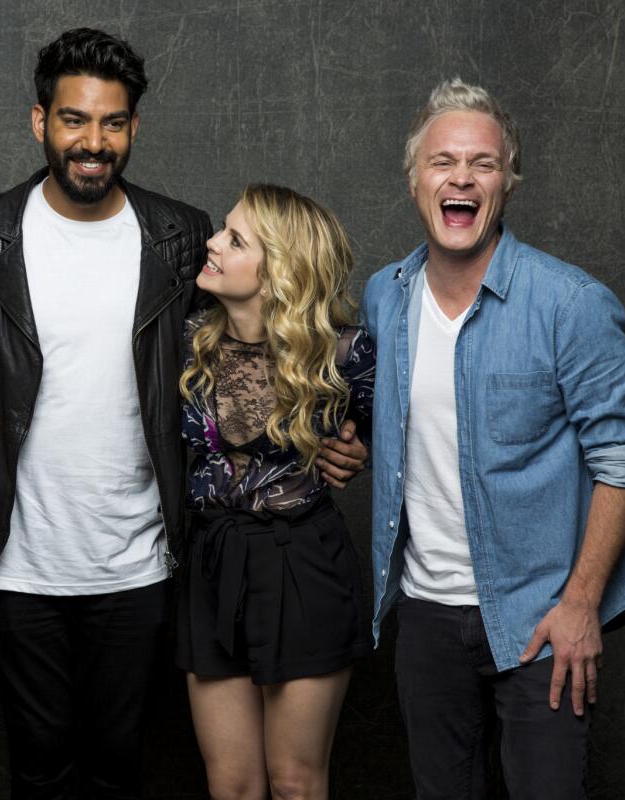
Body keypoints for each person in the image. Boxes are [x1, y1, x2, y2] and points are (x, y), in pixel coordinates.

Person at [0, 28, 368, 798]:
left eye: (111, 123)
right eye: (74, 119)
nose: (92, 142)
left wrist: (336, 438)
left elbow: (266, 337)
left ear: (134, 127)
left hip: (142, 558)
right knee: (38, 769)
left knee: (120, 767)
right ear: (41, 122)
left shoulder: (176, 237)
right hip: (17, 559)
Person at [363, 78, 625, 799]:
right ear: (414, 180)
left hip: (540, 620)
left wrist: (581, 603)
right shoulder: (383, 298)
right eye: (443, 161)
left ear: (506, 184)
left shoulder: (571, 306)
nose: (461, 176)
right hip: (426, 617)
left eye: (483, 164)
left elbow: (622, 462)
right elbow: (396, 425)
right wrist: (349, 446)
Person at [177, 184, 374, 800]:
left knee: (295, 782)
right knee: (232, 786)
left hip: (303, 563)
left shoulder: (346, 354)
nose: (211, 242)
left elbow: (385, 442)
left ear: (280, 270)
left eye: (235, 239)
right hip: (212, 560)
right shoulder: (189, 342)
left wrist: (357, 452)